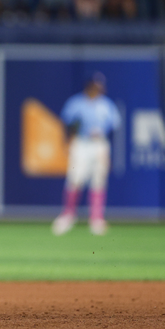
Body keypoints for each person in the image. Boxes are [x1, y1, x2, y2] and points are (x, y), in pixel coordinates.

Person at [52, 72, 121, 236]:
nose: (98, 88)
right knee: (75, 178)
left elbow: (114, 126)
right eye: (96, 85)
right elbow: (68, 123)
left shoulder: (107, 104)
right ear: (89, 85)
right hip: (81, 143)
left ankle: (96, 218)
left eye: (100, 86)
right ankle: (68, 215)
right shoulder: (77, 103)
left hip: (99, 144)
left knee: (99, 180)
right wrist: (67, 142)